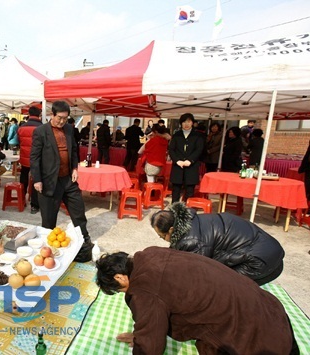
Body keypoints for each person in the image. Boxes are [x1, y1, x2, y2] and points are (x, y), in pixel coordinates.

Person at [95, 247, 298, 354]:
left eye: (119, 291)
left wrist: (145, 339)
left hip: (256, 340)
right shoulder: (151, 254)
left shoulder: (144, 290)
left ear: (119, 278)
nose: (124, 293)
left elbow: (151, 347)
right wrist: (143, 333)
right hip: (271, 311)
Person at [150, 201, 285, 285]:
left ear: (172, 229)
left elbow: (197, 276)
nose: (164, 240)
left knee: (225, 287)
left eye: (162, 237)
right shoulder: (191, 220)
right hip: (266, 247)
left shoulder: (191, 241)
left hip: (261, 260)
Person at [30, 100, 93, 262]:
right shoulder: (41, 131)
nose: (62, 121)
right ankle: (49, 252)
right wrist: (37, 179)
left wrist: (74, 168)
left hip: (68, 180)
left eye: (65, 118)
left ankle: (85, 241)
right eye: (59, 118)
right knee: (49, 220)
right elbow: (34, 157)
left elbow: (73, 151)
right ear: (52, 115)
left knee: (78, 211)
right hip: (49, 181)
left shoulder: (70, 130)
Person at [167, 113, 205, 203]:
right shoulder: (177, 135)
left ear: (192, 123)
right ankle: (175, 210)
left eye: (188, 121)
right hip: (178, 166)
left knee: (189, 191)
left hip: (192, 166)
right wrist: (177, 161)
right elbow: (171, 149)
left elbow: (199, 150)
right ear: (181, 123)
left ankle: (187, 212)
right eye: (184, 122)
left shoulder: (198, 136)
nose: (186, 124)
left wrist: (190, 160)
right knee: (176, 190)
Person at [18, 106, 43, 214]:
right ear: (39, 114)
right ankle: (34, 205)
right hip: (37, 159)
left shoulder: (21, 127)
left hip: (24, 158)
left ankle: (22, 200)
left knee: (24, 178)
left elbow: (19, 141)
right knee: (36, 180)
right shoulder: (42, 127)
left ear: (29, 114)